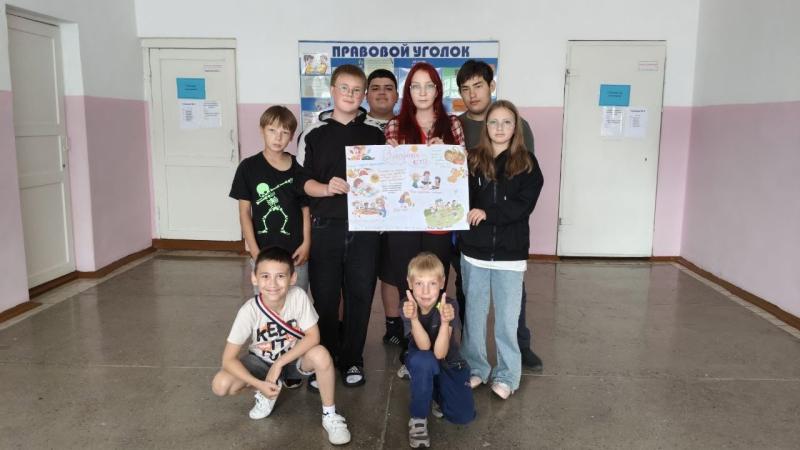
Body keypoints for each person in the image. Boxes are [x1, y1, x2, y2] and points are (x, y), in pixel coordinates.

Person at [297, 64, 386, 388]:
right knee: (325, 298)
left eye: (356, 90)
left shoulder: (375, 134)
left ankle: (352, 360)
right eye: (344, 88)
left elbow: (387, 180)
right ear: (332, 90)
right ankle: (325, 359)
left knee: (360, 295)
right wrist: (325, 188)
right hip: (325, 228)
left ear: (364, 95)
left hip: (365, 229)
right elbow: (302, 182)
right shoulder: (312, 134)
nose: (350, 94)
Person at [210, 247, 351, 445]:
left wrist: (278, 364)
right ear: (254, 278)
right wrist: (259, 384)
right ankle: (266, 391)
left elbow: (313, 337)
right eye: (265, 276)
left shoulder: (298, 297)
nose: (273, 284)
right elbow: (228, 359)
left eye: (280, 276)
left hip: (293, 360)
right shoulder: (249, 311)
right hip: (260, 361)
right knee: (221, 384)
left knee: (321, 354)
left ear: (292, 278)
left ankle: (330, 415)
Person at [456, 59, 543, 371]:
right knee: (471, 300)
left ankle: (519, 349)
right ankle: (474, 360)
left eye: (478, 86)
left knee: (510, 303)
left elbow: (519, 188)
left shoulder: (523, 149)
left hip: (508, 242)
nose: (473, 93)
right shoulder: (457, 127)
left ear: (491, 86)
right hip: (471, 238)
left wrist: (490, 213)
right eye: (466, 89)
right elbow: (455, 181)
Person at [384, 62, 465, 379]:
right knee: (410, 286)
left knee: (434, 284)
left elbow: (463, 168)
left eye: (428, 85)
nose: (422, 92)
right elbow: (388, 175)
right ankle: (412, 351)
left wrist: (448, 152)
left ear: (437, 90)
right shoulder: (395, 125)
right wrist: (388, 155)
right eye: (415, 86)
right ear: (408, 91)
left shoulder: (452, 124)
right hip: (404, 221)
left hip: (438, 220)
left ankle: (441, 349)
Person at [229, 105, 310, 294]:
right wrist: (255, 252)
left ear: (292, 136)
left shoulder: (299, 167)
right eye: (272, 130)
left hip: (296, 253)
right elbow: (244, 213)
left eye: (285, 132)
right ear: (262, 130)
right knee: (266, 303)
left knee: (297, 302)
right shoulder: (248, 167)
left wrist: (306, 243)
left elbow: (306, 209)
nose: (278, 137)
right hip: (263, 251)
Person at [402, 252, 475, 448]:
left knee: (463, 415)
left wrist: (445, 322)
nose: (425, 291)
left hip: (448, 362)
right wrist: (414, 318)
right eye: (419, 283)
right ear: (410, 283)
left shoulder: (450, 305)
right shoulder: (407, 306)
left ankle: (434, 392)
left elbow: (440, 353)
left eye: (432, 283)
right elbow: (425, 347)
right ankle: (418, 418)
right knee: (423, 361)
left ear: (442, 282)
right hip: (423, 358)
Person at [364, 68, 405, 346]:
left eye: (388, 88)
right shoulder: (355, 124)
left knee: (391, 271)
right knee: (360, 274)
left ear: (397, 95)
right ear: (366, 94)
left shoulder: (407, 125)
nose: (382, 93)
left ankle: (393, 325)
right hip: (363, 212)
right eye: (375, 88)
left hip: (399, 212)